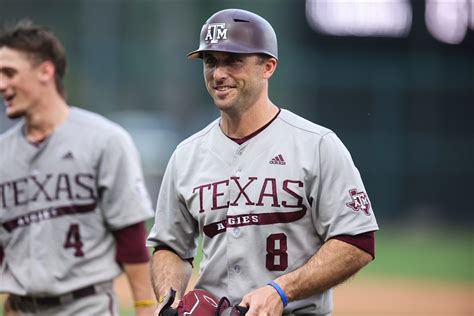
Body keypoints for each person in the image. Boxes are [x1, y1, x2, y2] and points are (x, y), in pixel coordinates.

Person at [147, 8, 379, 316]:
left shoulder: (317, 144)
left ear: (268, 67)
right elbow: (171, 246)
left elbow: (357, 240)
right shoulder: (186, 155)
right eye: (211, 61)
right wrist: (169, 298)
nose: (218, 73)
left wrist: (282, 291)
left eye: (233, 61)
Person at [0, 20, 156, 315]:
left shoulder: (104, 140)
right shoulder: (2, 153)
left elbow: (131, 236)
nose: (1, 85)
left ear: (45, 71)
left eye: (9, 73)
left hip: (87, 306)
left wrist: (146, 307)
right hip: (20, 308)